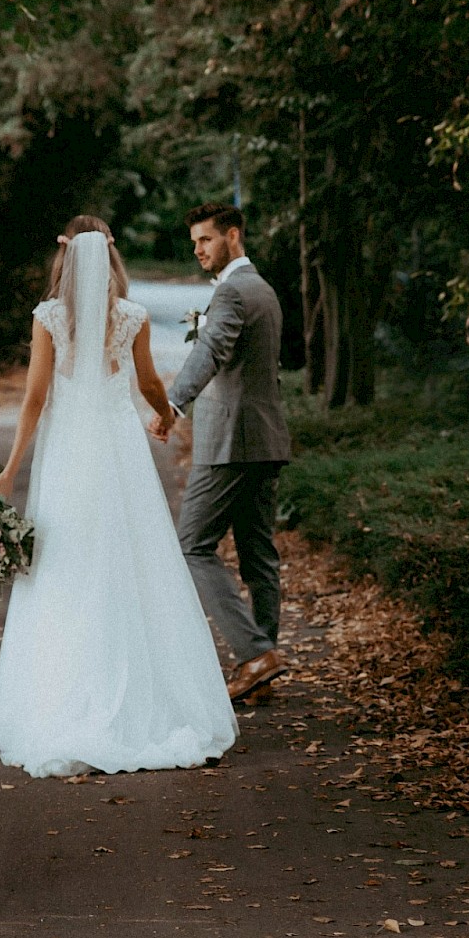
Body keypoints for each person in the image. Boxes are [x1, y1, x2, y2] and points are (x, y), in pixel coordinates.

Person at [0, 214, 238, 779]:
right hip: (118, 451)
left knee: (66, 567)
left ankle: (64, 701)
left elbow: (33, 398)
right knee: (131, 562)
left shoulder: (50, 317)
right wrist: (166, 415)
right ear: (112, 259)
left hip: (69, 453)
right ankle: (145, 703)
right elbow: (147, 382)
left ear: (65, 257)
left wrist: (9, 471)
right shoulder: (131, 317)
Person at [149, 202, 292, 703]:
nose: (198, 250)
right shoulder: (264, 289)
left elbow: (210, 351)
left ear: (233, 235)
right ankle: (262, 670)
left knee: (193, 545)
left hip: (231, 441)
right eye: (194, 242)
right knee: (258, 556)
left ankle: (255, 654)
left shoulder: (233, 291)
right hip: (265, 437)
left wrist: (172, 402)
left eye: (205, 240)